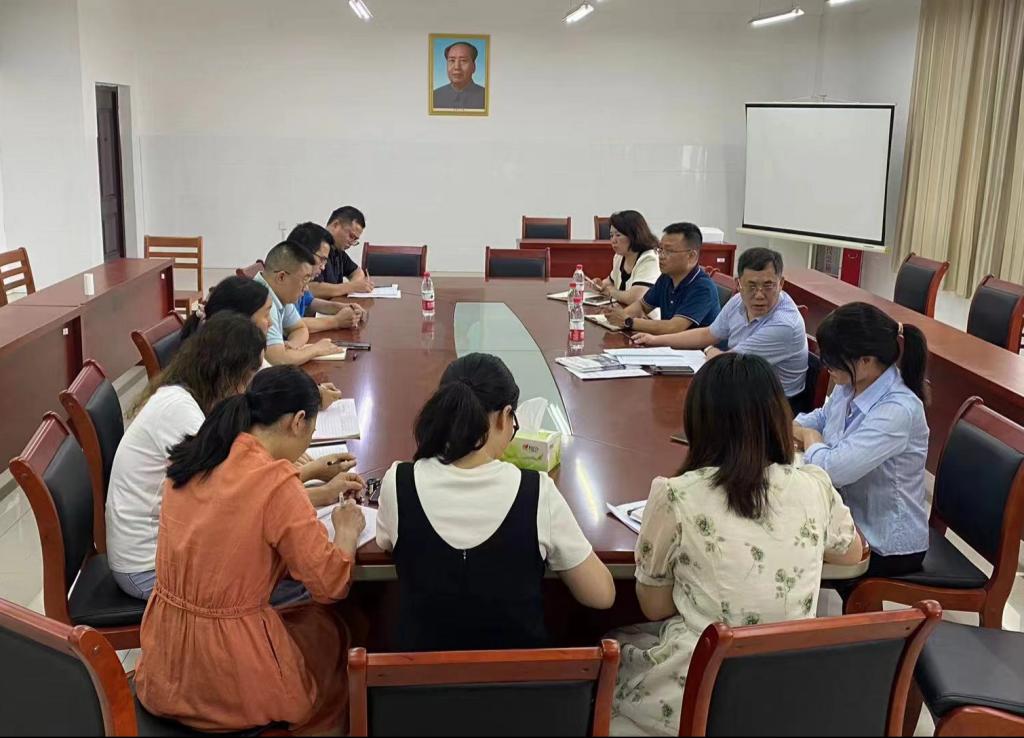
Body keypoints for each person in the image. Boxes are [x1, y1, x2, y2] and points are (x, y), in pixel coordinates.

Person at [609, 353, 862, 736]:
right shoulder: (813, 484)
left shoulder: (676, 495)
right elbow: (851, 552)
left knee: (611, 653)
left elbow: (655, 606)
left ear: (698, 422)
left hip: (701, 690)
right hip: (791, 689)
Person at [134, 366, 366, 734]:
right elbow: (328, 583)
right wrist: (347, 530)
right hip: (229, 678)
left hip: (164, 664)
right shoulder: (276, 484)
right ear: (298, 421)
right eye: (311, 432)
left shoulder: (196, 455)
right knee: (336, 630)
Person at [106, 313, 362, 601]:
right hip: (149, 566)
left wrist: (311, 480)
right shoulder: (180, 411)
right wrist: (322, 495)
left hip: (171, 549)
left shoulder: (190, 401)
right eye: (254, 374)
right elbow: (244, 498)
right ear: (232, 374)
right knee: (299, 581)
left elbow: (244, 495)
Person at [376, 353, 615, 651]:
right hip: (521, 679)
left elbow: (387, 543)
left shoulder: (398, 482)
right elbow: (601, 595)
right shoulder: (537, 492)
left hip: (419, 679)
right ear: (505, 416)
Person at [793, 302, 930, 578]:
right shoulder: (852, 384)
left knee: (786, 547)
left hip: (884, 544)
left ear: (865, 360)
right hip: (847, 518)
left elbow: (833, 470)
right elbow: (816, 419)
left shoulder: (897, 410)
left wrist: (809, 438)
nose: (826, 365)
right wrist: (804, 431)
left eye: (833, 358)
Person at [632, 247, 808, 402]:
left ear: (781, 284)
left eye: (768, 286)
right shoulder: (738, 301)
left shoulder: (785, 325)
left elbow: (729, 365)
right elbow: (708, 334)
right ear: (739, 284)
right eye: (752, 285)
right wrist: (655, 340)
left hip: (774, 403)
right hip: (742, 387)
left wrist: (710, 350)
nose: (759, 295)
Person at [180, 275, 343, 409]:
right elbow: (261, 399)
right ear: (240, 319)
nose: (271, 323)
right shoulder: (216, 367)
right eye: (266, 315)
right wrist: (312, 398)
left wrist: (314, 392)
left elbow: (273, 383)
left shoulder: (244, 351)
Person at [604, 222, 720, 335]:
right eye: (660, 249)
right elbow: (642, 306)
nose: (661, 256)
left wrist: (628, 321)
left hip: (694, 348)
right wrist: (617, 317)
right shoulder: (667, 277)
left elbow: (673, 327)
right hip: (667, 343)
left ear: (691, 256)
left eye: (669, 251)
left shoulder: (703, 287)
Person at [255, 240, 341, 365]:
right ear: (281, 277)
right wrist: (316, 349)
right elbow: (279, 360)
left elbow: (300, 328)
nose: (306, 288)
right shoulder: (262, 301)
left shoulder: (279, 292)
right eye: (304, 280)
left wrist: (292, 345)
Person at [286, 221, 365, 331]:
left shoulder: (301, 281)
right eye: (321, 259)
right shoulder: (285, 283)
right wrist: (336, 321)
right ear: (303, 253)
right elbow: (290, 325)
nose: (323, 267)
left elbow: (311, 302)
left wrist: (344, 307)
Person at [587, 210, 660, 306]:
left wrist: (611, 291)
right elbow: (610, 283)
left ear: (634, 235)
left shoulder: (649, 259)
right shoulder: (619, 257)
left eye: (618, 235)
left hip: (645, 315)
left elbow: (636, 298)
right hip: (624, 312)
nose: (613, 240)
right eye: (611, 235)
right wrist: (600, 285)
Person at [308, 206, 375, 299]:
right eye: (351, 236)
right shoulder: (313, 244)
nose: (351, 243)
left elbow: (357, 271)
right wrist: (351, 287)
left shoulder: (338, 250)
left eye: (355, 240)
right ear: (336, 225)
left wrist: (355, 285)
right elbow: (310, 288)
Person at [433, 41, 486, 110]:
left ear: (474, 67)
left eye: (463, 61)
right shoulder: (434, 96)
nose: (457, 67)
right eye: (452, 61)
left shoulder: (486, 97)